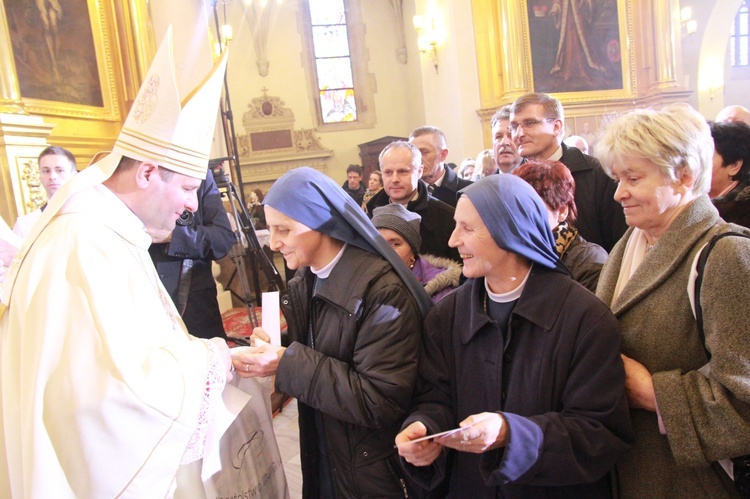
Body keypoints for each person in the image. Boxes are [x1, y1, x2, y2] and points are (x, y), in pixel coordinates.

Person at [0, 31, 234, 497]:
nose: (192, 206)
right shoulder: (83, 242)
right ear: (148, 172)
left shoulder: (104, 230)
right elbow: (111, 395)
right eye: (188, 188)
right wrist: (216, 359)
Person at [395, 174, 633, 497]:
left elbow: (599, 433)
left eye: (467, 228)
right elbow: (434, 397)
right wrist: (426, 428)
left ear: (511, 231)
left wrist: (511, 433)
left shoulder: (585, 318)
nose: (452, 241)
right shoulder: (446, 316)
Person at [231, 166, 432, 498]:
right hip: (330, 448)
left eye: (284, 229)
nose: (275, 243)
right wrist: (277, 348)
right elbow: (323, 344)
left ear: (321, 223)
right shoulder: (309, 278)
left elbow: (378, 399)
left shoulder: (383, 291)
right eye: (271, 229)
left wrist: (287, 363)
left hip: (372, 467)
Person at [595, 103, 750, 497]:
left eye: (633, 177)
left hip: (693, 482)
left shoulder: (727, 253)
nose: (618, 193)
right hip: (633, 471)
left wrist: (652, 394)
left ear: (684, 175)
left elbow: (744, 401)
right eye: (617, 177)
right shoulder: (630, 243)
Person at [510, 92, 627, 252]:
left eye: (529, 123)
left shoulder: (597, 173)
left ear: (556, 127)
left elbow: (619, 241)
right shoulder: (510, 182)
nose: (519, 134)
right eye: (515, 126)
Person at [149, 168, 235, 339]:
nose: (192, 204)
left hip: (195, 304)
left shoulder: (200, 170)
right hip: (143, 305)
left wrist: (173, 236)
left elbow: (222, 239)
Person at [514, 159, 607, 292]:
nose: (520, 217)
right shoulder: (513, 253)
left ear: (562, 211)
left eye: (532, 208)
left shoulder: (588, 258)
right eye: (514, 207)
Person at [366, 141, 460, 262]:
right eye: (388, 172)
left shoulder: (446, 217)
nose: (394, 179)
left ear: (419, 171)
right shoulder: (369, 217)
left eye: (403, 171)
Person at [372, 204, 461, 302]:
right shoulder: (364, 278)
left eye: (395, 244)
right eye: (379, 244)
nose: (385, 251)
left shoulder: (441, 293)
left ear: (412, 251)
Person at [12, 145, 77, 239]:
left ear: (74, 176)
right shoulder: (25, 224)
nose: (52, 176)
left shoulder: (93, 217)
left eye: (59, 170)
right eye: (46, 171)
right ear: (40, 175)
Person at [409, 126, 471, 207]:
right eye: (413, 154)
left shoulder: (469, 191)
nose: (417, 160)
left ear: (443, 155)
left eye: (424, 152)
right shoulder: (405, 191)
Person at [709, 121, 750, 228]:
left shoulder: (744, 211)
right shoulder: (684, 196)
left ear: (734, 166)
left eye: (707, 155)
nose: (699, 162)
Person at [490, 106, 522, 174]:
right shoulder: (484, 184)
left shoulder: (539, 181)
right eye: (498, 137)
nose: (504, 142)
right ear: (492, 145)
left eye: (510, 135)